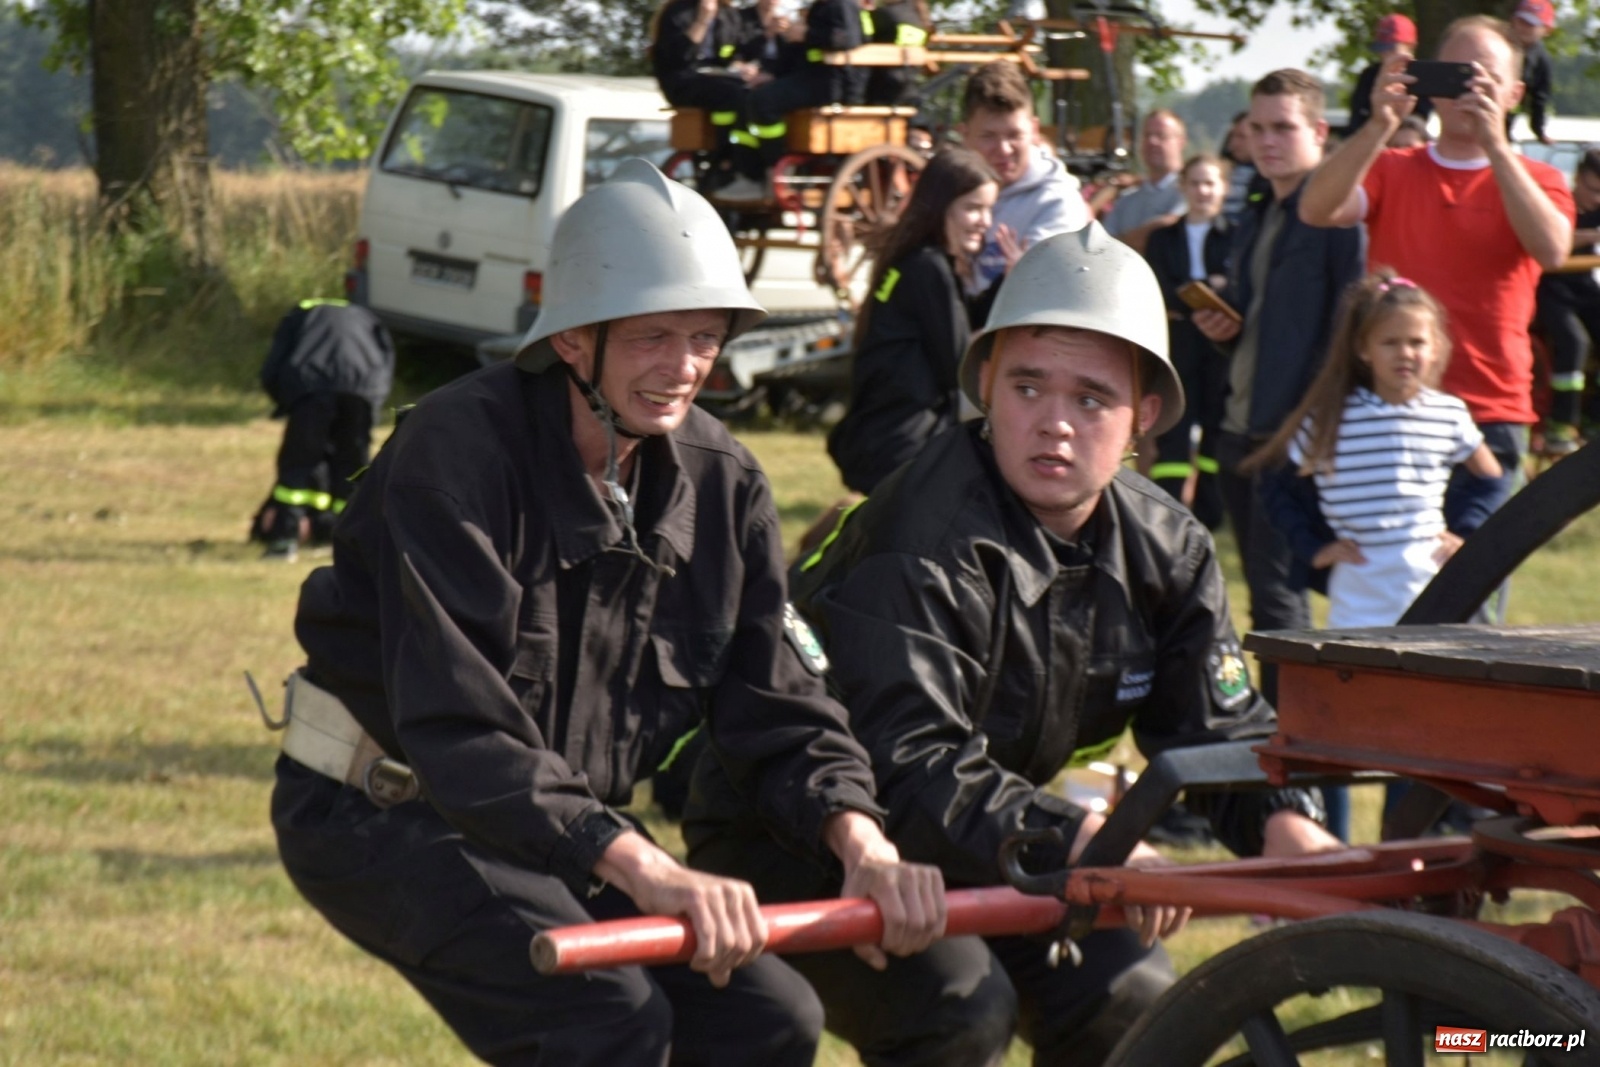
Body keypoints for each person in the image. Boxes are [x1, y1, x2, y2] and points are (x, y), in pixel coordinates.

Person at [268, 159, 945, 1067]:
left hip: (558, 829)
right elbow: (461, 725)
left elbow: (779, 700)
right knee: (604, 1021)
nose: (683, 368)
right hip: (385, 808)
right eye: (653, 336)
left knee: (770, 1018)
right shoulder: (455, 455)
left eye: (705, 337)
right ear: (577, 341)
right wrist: (643, 864)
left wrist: (861, 840)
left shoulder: (724, 481)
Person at [687, 225, 1340, 1067]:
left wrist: (1283, 823)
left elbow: (1212, 727)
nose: (1054, 425)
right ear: (986, 382)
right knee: (960, 1009)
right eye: (1028, 386)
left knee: (1131, 1001)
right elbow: (909, 761)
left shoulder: (1168, 547)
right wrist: (1079, 839)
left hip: (989, 836)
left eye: (1092, 399)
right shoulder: (918, 537)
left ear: (1143, 415)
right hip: (802, 838)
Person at [1299, 16, 1574, 576]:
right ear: (1429, 81)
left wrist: (1497, 144)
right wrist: (1379, 124)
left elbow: (1550, 248)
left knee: (1469, 613)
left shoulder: (1538, 178)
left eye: (1485, 78)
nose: (1468, 90)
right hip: (1392, 412)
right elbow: (1316, 209)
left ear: (1515, 93)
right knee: (1389, 601)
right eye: (1455, 74)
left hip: (1490, 414)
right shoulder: (1394, 168)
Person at [1250, 273, 1502, 841]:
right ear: (1364, 350)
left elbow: (1492, 480)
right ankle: (1331, 847)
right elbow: (1275, 485)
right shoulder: (1332, 418)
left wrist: (1465, 532)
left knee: (1416, 732)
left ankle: (1404, 845)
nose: (1405, 354)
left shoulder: (1448, 414)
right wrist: (1314, 547)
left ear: (1436, 347)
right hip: (1358, 590)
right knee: (1346, 732)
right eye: (1391, 342)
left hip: (1427, 587)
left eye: (1416, 342)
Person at [1192, 69, 1365, 705]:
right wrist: (1220, 324)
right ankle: (1286, 745)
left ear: (1319, 131)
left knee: (1280, 597)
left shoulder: (1338, 217)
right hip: (1238, 425)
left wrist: (1309, 428)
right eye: (1257, 127)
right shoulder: (1257, 213)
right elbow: (1259, 324)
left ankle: (1294, 752)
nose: (1266, 140)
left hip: (1285, 435)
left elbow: (1345, 336)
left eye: (1283, 127)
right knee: (1265, 596)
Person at [827, 147, 998, 494]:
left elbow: (954, 321)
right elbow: (958, 362)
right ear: (941, 206)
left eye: (988, 209)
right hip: (903, 445)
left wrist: (1006, 284)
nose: (986, 221)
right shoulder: (928, 269)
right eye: (973, 208)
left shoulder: (912, 261)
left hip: (881, 437)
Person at [254, 298, 394, 562]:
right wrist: (372, 403)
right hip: (361, 391)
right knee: (353, 469)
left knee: (298, 465)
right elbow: (386, 362)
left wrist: (286, 401)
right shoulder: (366, 317)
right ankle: (350, 541)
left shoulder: (300, 314)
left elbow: (272, 367)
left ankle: (284, 541)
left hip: (312, 388)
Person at [1144, 153, 1232, 531]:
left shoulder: (1236, 235)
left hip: (1221, 341)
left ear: (1223, 189)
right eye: (1195, 183)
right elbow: (1159, 286)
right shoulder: (1163, 237)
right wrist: (1198, 293)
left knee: (1216, 420)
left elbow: (1238, 286)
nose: (1202, 191)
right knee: (1176, 423)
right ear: (1183, 187)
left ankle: (1210, 512)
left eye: (1210, 183)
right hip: (1179, 339)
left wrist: (1213, 291)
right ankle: (1168, 507)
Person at [959, 60, 1091, 304]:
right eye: (988, 136)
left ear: (1034, 130)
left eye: (1014, 135)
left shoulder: (1057, 201)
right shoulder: (950, 192)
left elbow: (1043, 291)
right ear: (964, 134)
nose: (1003, 149)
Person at [729, 0, 869, 200]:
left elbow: (847, 38)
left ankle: (776, 170)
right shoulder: (821, 6)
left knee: (763, 102)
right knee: (748, 97)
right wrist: (771, 71)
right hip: (814, 77)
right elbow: (800, 54)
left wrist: (804, 34)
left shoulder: (840, 5)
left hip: (833, 83)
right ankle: (750, 175)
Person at [650, 0, 766, 192]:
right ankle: (724, 160)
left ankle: (748, 163)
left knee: (754, 94)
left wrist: (744, 66)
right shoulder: (678, 11)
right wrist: (703, 20)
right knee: (734, 95)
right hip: (683, 82)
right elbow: (678, 57)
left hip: (719, 78)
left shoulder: (730, 15)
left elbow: (737, 52)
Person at [1534, 148, 1600, 454]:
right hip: (1551, 289)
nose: (1597, 199)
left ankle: (1594, 418)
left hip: (1584, 286)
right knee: (1574, 343)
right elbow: (1550, 243)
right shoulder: (1557, 202)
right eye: (1593, 190)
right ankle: (1561, 424)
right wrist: (1589, 237)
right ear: (1577, 178)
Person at [1100, 110, 1187, 255]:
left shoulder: (1190, 192)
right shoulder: (1126, 200)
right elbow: (1104, 247)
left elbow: (1169, 227)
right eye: (1147, 135)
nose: (1152, 141)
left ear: (1180, 142)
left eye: (1161, 135)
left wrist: (1124, 240)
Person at [1344, 14, 1431, 138]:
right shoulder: (1369, 76)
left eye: (1392, 48)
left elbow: (1425, 120)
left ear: (1411, 47)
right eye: (1382, 48)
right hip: (1373, 144)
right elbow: (1356, 122)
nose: (1385, 55)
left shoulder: (1424, 77)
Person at [863, 0, 932, 105]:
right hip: (908, 86)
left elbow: (863, 39)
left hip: (882, 88)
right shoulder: (919, 18)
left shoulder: (885, 14)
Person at [1508, 0, 1555, 145]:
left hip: (1504, 122)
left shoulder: (1541, 60)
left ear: (1546, 30)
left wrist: (1538, 131)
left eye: (1531, 24)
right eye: (1521, 21)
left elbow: (1539, 99)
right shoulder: (1493, 44)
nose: (1524, 28)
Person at [1220, 110, 1266, 225]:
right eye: (1232, 136)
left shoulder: (1269, 178)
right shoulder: (1218, 172)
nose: (1234, 143)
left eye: (1242, 137)